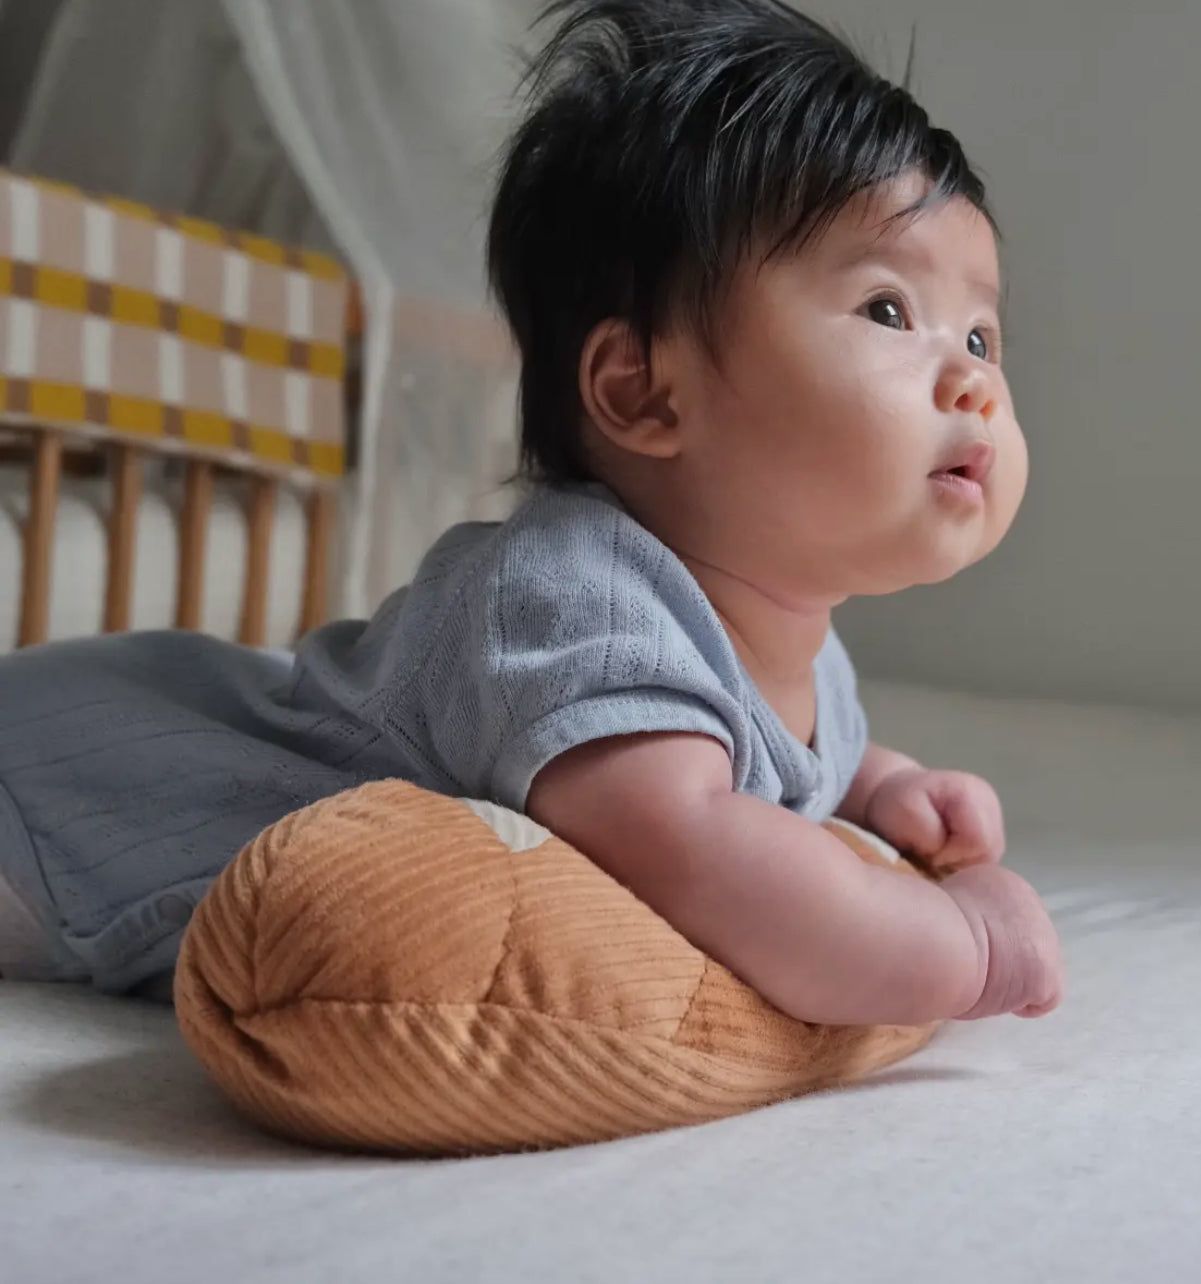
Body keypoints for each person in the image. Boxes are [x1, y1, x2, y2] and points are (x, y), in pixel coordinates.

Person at [0, 0, 1063, 1023]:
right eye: (890, 309)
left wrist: (880, 787)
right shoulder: (574, 592)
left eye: (980, 336)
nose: (974, 382)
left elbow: (765, 763)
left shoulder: (802, 642)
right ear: (643, 392)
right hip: (59, 815)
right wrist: (962, 949)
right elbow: (696, 849)